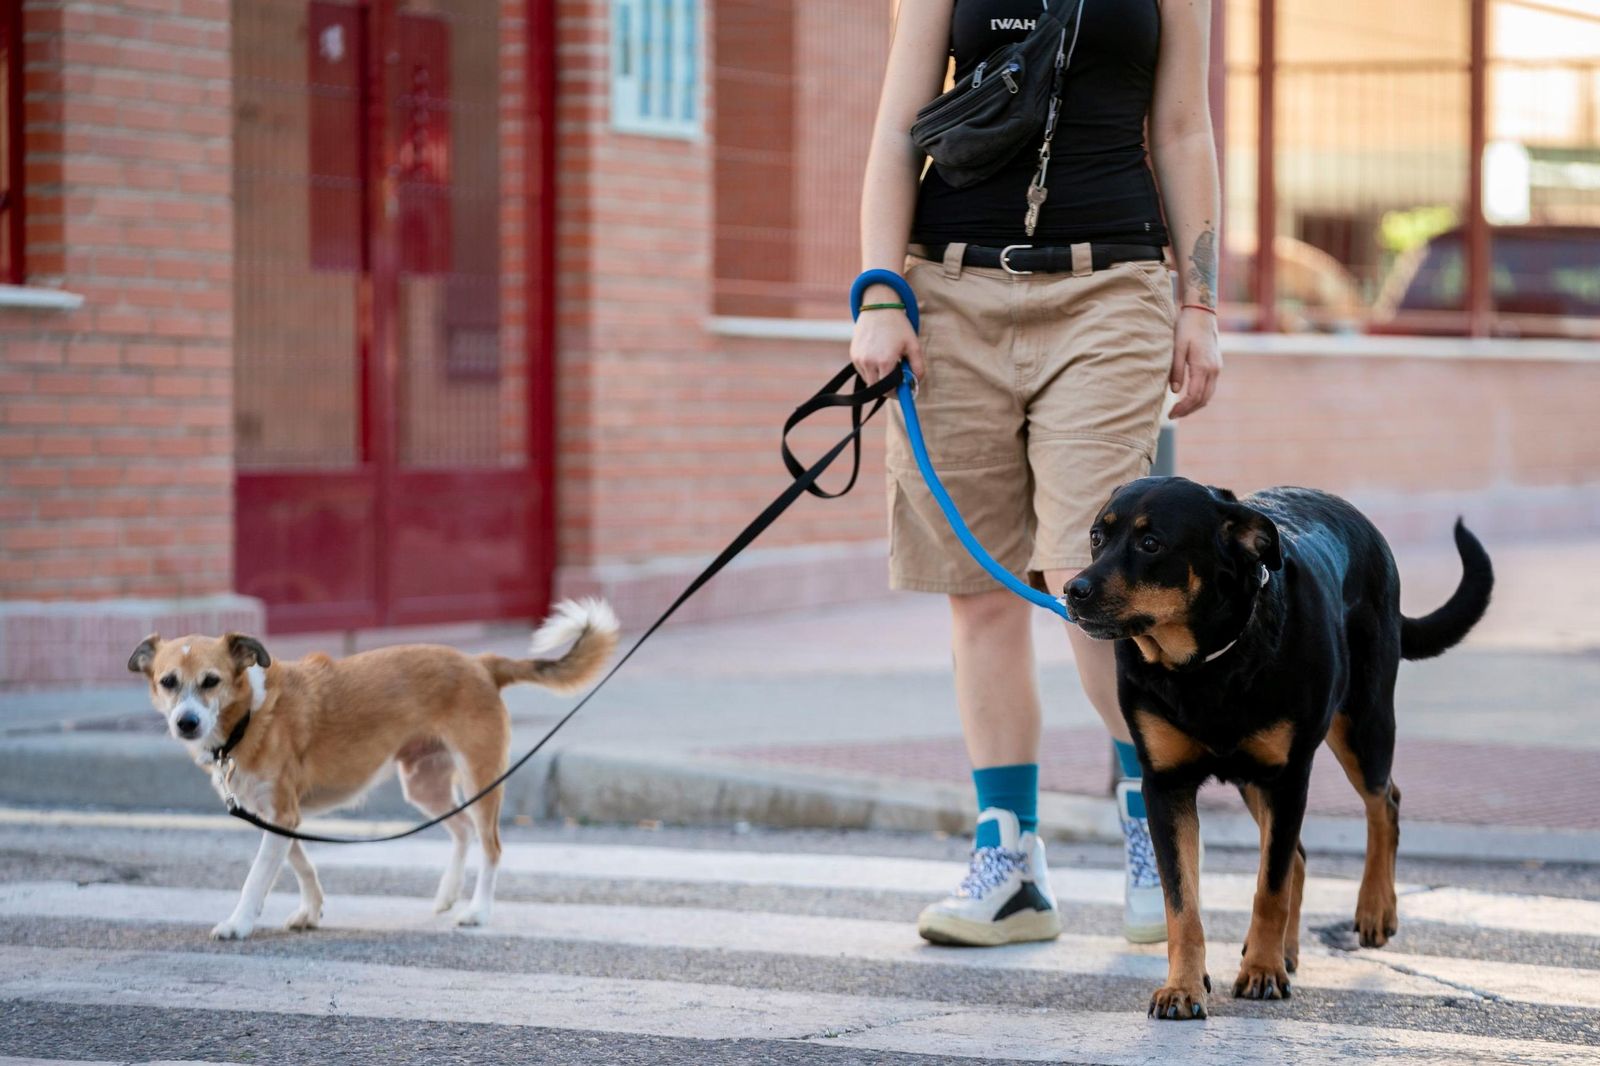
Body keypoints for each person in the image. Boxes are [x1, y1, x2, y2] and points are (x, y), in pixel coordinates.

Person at [851, 0, 1221, 945]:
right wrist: (880, 291)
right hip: (951, 288)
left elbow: (1182, 127)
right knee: (978, 591)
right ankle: (1009, 863)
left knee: (1089, 579)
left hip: (1110, 290)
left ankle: (1154, 823)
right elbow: (899, 128)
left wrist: (1201, 302)